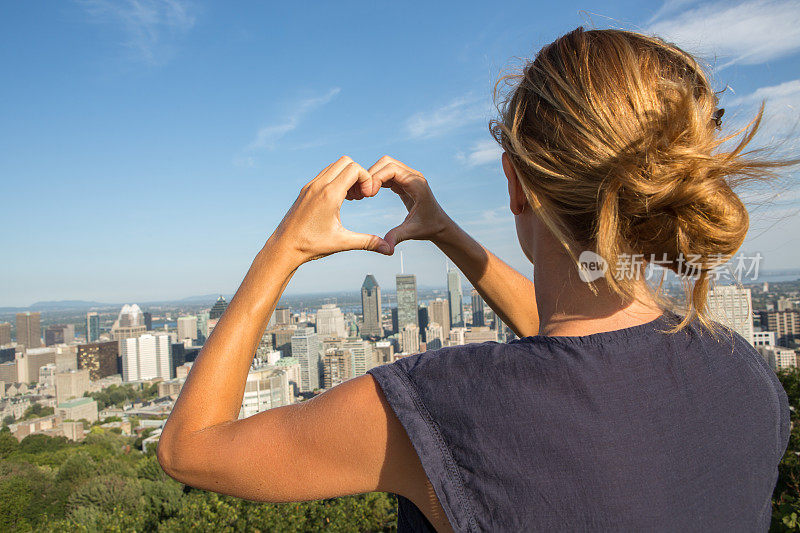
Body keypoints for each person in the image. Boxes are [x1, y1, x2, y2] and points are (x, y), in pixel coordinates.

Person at [157, 27, 794, 531]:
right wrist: (446, 231)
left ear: (515, 183)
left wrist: (284, 247)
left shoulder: (441, 405)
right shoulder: (746, 376)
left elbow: (190, 449)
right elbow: (578, 355)